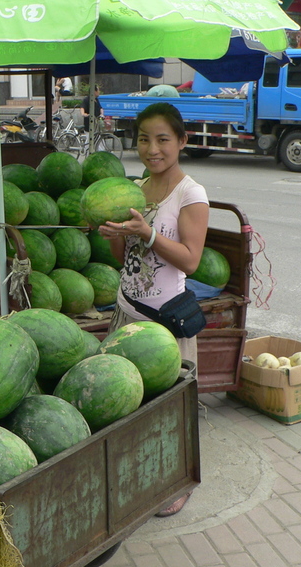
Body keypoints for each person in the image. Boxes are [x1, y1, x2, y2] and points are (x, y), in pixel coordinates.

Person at [98, 102, 209, 518]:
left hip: (166, 324)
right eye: (144, 139)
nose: (152, 148)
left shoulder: (190, 194)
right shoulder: (137, 189)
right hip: (127, 313)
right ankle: (143, 475)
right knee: (131, 406)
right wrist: (112, 232)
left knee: (172, 410)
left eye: (163, 139)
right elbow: (120, 256)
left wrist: (147, 234)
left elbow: (190, 260)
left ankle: (180, 483)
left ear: (182, 141)